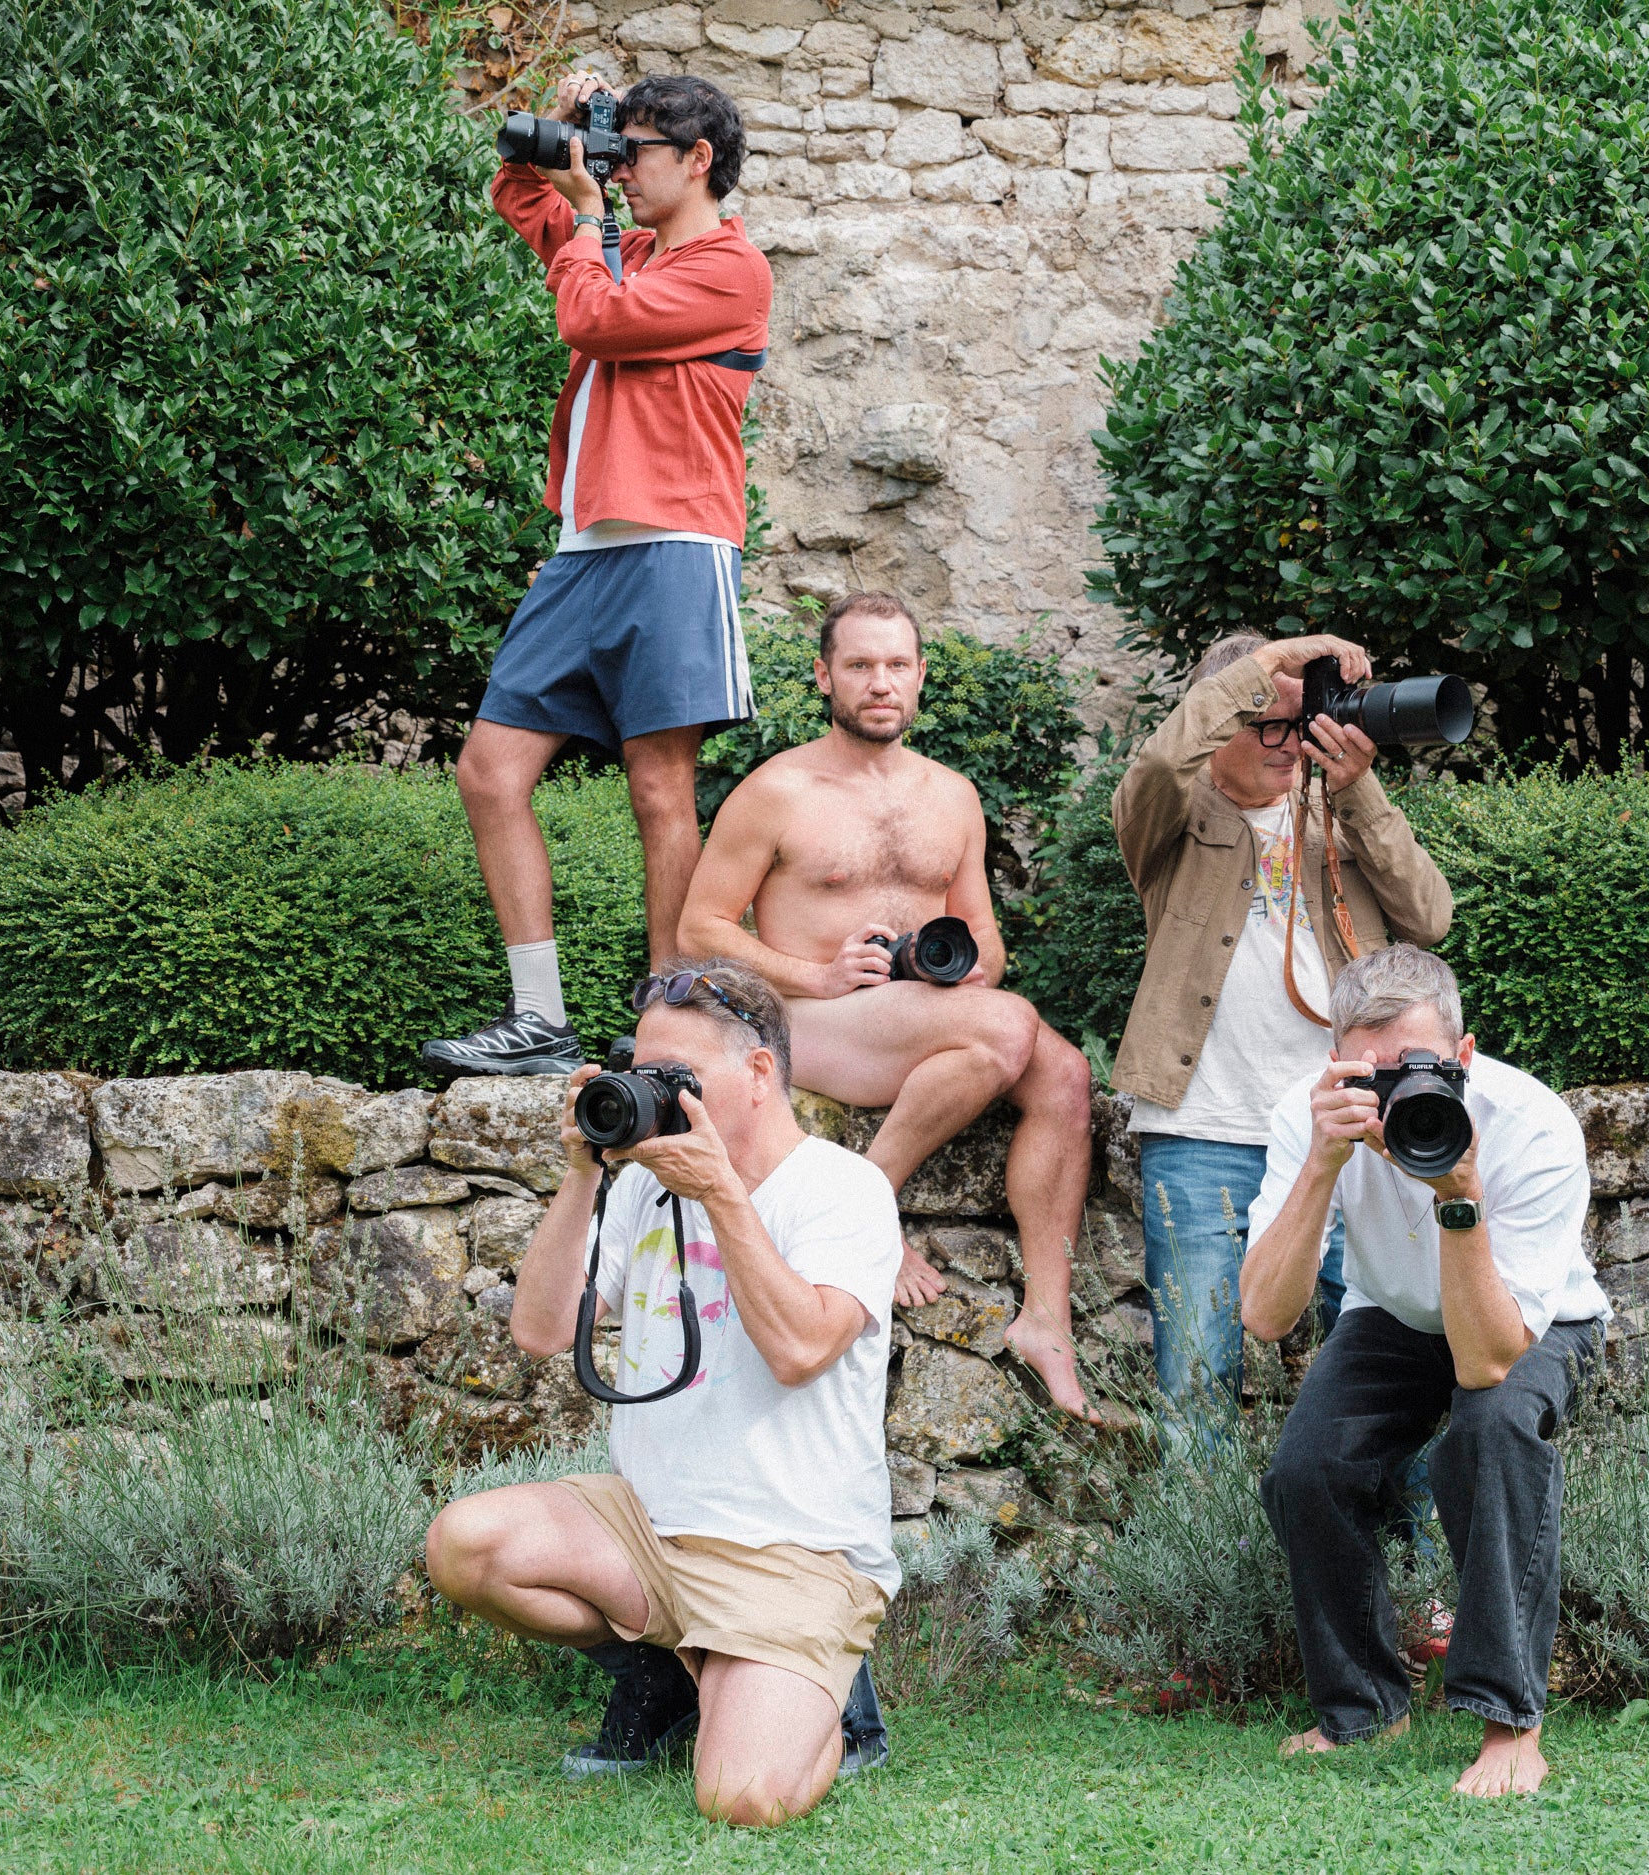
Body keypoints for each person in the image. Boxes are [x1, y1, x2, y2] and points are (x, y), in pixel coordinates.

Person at [425, 959, 897, 1825]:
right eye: (642, 1072)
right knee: (466, 1544)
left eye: (678, 1076)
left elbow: (799, 1349)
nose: (654, 1093)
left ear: (758, 1073)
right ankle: (677, 1670)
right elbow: (539, 1329)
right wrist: (582, 1172)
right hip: (652, 1529)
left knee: (741, 1796)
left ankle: (830, 1701)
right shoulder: (642, 1183)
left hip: (792, 1550)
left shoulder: (843, 1189)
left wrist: (720, 1193)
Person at [422, 73, 773, 1078]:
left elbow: (594, 321)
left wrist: (589, 221)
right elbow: (520, 196)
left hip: (674, 544)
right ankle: (539, 1018)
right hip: (584, 550)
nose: (618, 170)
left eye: (637, 150)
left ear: (698, 160)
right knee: (489, 772)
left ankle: (670, 1022)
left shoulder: (730, 268)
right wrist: (566, 125)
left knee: (659, 785)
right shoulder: (629, 250)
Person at [676, 593, 1101, 1416]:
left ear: (920, 675)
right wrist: (819, 974)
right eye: (861, 665)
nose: (881, 682)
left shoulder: (953, 794)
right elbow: (701, 926)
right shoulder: (777, 789)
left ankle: (1047, 1321)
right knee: (1010, 1025)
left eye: (897, 664)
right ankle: (869, 1213)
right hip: (810, 1018)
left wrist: (969, 973)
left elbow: (984, 936)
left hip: (918, 1014)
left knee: (1067, 1075)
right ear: (824, 675)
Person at [1241, 945, 1606, 1798]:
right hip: (1396, 1311)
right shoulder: (1309, 1117)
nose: (1398, 1093)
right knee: (1308, 1469)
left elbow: (1486, 1359)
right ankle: (1365, 1707)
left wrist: (1457, 1190)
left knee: (1492, 1434)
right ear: (1336, 1060)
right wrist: (1321, 1165)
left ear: (1464, 1054)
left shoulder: (1533, 1123)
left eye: (1420, 1068)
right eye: (1372, 1074)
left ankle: (1510, 1723)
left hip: (1527, 1320)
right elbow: (1265, 1314)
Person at [1111, 633, 1452, 1416]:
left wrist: (1359, 791)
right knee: (1196, 1386)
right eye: (1264, 722)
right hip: (1201, 1131)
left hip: (1344, 1127)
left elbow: (1430, 917)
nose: (1287, 742)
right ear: (1216, 720)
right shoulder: (1169, 816)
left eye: (1296, 724)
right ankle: (1204, 1509)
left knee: (1388, 1369)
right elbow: (1157, 768)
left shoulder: (1339, 809)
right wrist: (1268, 663)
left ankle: (1381, 1504)